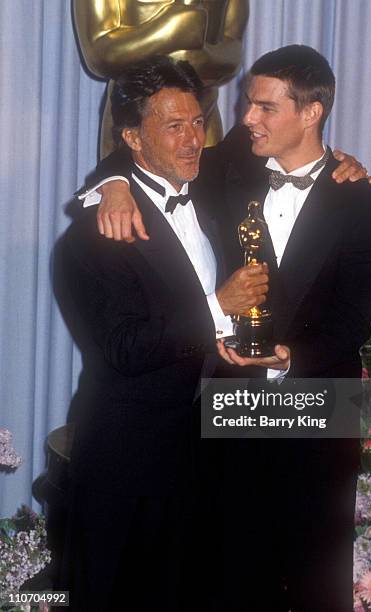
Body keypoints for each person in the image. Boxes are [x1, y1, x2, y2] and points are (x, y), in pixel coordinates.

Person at [54, 56, 284, 612]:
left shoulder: (209, 188)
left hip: (211, 460)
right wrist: (218, 307)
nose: (192, 139)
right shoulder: (91, 240)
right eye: (173, 126)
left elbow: (282, 151)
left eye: (197, 123)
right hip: (127, 468)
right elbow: (122, 351)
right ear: (132, 137)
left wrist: (342, 165)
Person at [73, 0, 249, 155]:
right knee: (130, 188)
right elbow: (97, 55)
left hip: (202, 116)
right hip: (136, 120)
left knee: (205, 188)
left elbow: (233, 51)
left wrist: (195, 56)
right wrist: (171, 29)